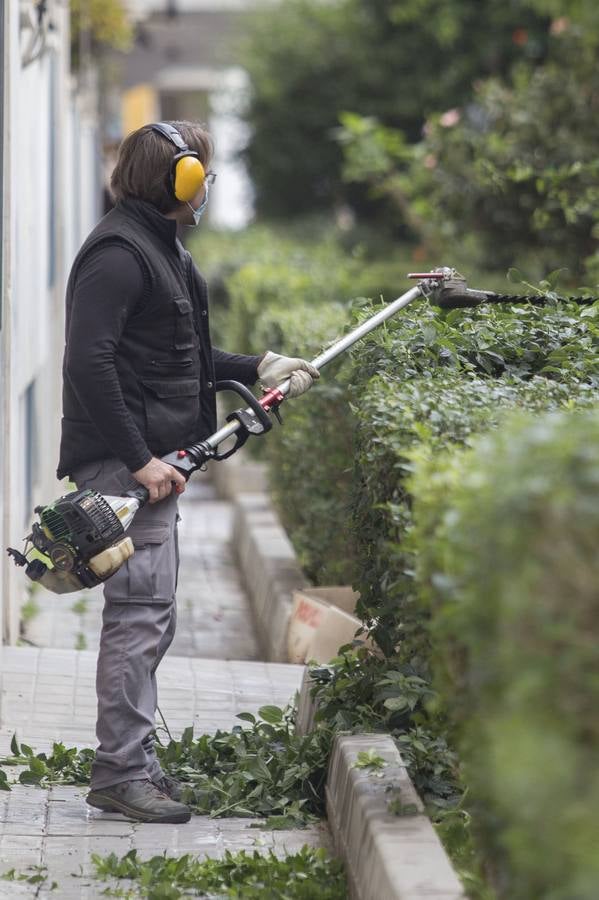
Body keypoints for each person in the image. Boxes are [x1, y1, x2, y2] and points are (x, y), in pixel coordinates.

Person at [57, 121, 319, 824]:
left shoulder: (160, 248)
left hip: (153, 463)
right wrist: (140, 462)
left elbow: (178, 350)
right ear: (180, 180)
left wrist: (257, 367)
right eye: (200, 170)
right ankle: (118, 771)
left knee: (155, 618)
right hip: (128, 464)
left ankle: (133, 760)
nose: (207, 182)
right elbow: (89, 362)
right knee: (138, 617)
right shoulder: (119, 254)